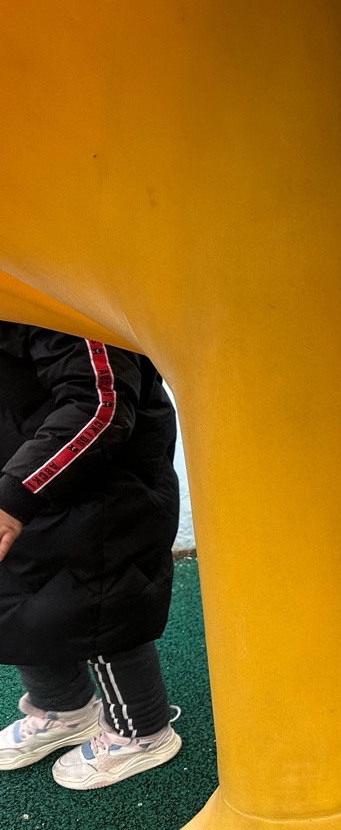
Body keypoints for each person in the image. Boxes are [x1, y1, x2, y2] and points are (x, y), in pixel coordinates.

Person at [0, 323, 183, 788]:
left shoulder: (55, 293)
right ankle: (63, 710)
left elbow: (101, 403)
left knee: (103, 601)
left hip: (100, 477)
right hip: (20, 466)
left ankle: (142, 730)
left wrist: (16, 494)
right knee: (19, 593)